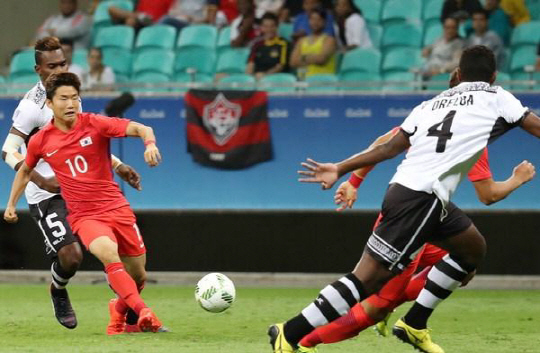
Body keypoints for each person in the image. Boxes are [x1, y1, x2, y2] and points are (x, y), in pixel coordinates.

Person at [269, 45, 540, 353]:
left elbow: (388, 148)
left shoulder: (429, 105)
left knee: (472, 249)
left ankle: (415, 323)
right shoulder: (497, 96)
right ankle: (290, 333)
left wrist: (342, 168)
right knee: (368, 282)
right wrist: (518, 178)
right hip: (420, 200)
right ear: (494, 76)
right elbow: (534, 126)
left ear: (457, 74)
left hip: (416, 195)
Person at [296, 128, 535, 352]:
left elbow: (385, 143)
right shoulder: (474, 136)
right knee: (375, 307)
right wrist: (517, 179)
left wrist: (354, 180)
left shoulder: (433, 115)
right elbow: (488, 195)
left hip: (427, 219)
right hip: (408, 223)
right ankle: (302, 340)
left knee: (464, 263)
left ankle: (411, 320)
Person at [4, 72, 165, 335]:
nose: (70, 104)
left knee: (138, 275)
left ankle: (120, 312)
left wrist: (149, 144)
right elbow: (24, 170)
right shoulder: (41, 140)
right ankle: (144, 311)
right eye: (64, 98)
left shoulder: (95, 123)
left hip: (116, 207)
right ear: (50, 104)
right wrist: (12, 203)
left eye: (75, 98)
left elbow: (141, 128)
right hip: (85, 216)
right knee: (109, 256)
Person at [290, 8, 337, 79]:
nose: (315, 22)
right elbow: (293, 62)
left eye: (319, 20)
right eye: (312, 19)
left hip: (323, 82)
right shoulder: (301, 41)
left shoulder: (329, 40)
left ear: (324, 22)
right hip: (304, 81)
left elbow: (321, 59)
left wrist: (303, 57)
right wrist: (313, 58)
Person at [246, 13, 291, 80]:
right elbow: (250, 64)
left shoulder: (283, 44)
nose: (269, 29)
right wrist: (250, 79)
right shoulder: (256, 44)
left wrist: (265, 76)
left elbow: (280, 66)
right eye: (266, 26)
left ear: (277, 27)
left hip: (276, 79)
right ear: (261, 27)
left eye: (272, 26)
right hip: (257, 78)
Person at [108, 0, 173, 30]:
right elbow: (139, 9)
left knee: (131, 21)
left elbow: (170, 15)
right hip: (140, 17)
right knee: (111, 9)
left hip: (152, 21)